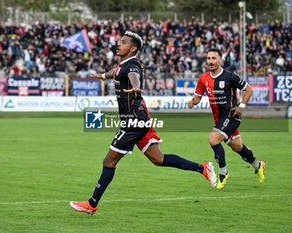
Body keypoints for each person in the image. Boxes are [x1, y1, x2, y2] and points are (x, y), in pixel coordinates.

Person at [70, 31, 217, 215]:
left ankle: (92, 204)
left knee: (109, 161)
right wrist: (101, 76)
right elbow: (114, 73)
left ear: (132, 48)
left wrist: (137, 87)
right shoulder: (122, 65)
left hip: (133, 122)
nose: (118, 44)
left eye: (123, 42)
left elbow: (134, 77)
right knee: (158, 159)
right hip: (140, 119)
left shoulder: (132, 66)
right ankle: (202, 168)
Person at [188, 48, 266, 190]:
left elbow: (249, 89)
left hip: (232, 116)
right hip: (219, 119)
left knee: (213, 139)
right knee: (237, 146)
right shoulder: (203, 78)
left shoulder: (230, 77)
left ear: (220, 60)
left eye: (213, 58)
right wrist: (192, 102)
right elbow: (198, 97)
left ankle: (223, 173)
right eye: (208, 58)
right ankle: (258, 165)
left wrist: (241, 106)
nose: (210, 61)